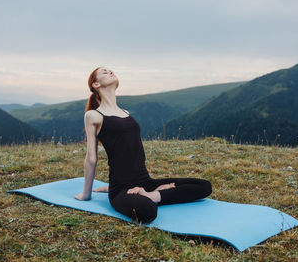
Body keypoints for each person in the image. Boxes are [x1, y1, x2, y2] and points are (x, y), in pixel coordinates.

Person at [75, 67, 212, 223]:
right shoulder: (94, 115)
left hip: (145, 182)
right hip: (121, 189)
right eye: (104, 72)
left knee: (204, 186)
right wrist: (86, 195)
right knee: (147, 211)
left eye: (111, 70)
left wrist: (148, 191)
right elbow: (91, 159)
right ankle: (152, 196)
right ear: (96, 84)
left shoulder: (125, 112)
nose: (110, 72)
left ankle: (152, 195)